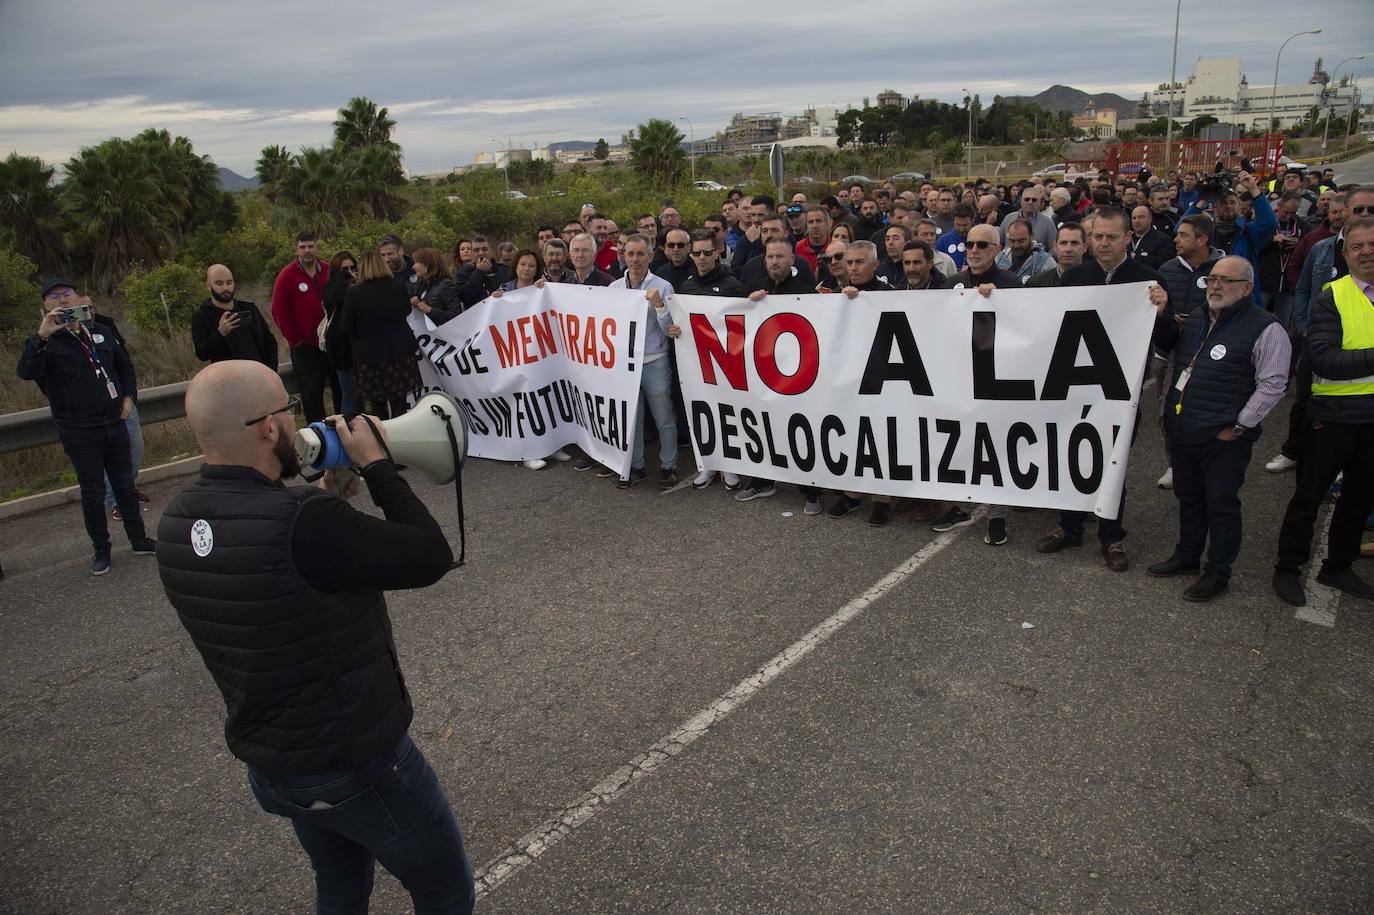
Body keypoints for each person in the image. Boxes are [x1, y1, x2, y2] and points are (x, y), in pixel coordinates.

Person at [156, 360, 474, 914]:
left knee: (341, 884)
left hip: (280, 764)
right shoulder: (302, 520)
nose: (296, 423)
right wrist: (376, 465)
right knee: (445, 889)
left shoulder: (178, 521)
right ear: (266, 427)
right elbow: (429, 555)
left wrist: (332, 500)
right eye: (288, 409)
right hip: (356, 761)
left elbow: (287, 581)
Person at [1149, 257, 1290, 601]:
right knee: (1189, 497)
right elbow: (1176, 363)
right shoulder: (1198, 317)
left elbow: (1272, 385)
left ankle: (1218, 572)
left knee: (1221, 505)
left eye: (1225, 281)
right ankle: (1187, 555)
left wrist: (1239, 427)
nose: (1215, 285)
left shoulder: (1266, 328)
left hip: (1222, 437)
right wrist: (1167, 411)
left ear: (1247, 288)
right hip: (1185, 430)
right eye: (1212, 279)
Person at [1036, 207, 1168, 572]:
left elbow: (1170, 339)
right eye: (1098, 236)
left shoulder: (1148, 280)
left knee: (1112, 463)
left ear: (1128, 238)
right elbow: (1044, 323)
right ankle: (1070, 527)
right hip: (1072, 386)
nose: (1103, 243)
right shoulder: (1076, 276)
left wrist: (1162, 312)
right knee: (1068, 456)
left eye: (1112, 237)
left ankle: (1111, 536)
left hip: (1118, 392)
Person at [17, 278, 156, 574]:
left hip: (114, 423)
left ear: (79, 297)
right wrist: (41, 336)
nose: (62, 301)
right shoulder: (45, 344)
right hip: (79, 430)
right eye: (54, 297)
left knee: (125, 486)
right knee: (93, 493)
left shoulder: (100, 332)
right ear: (45, 305)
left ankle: (139, 539)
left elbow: (124, 367)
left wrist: (129, 397)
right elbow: (26, 372)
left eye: (67, 294)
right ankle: (101, 551)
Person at [1271, 216, 1374, 607]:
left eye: (1372, 243)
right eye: (1357, 246)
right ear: (1345, 253)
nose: (1366, 251)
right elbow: (1326, 360)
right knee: (1308, 499)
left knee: (1358, 499)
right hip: (1333, 419)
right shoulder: (1333, 296)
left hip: (1371, 423)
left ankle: (1338, 566)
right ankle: (1288, 568)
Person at [931, 225, 1023, 543]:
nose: (973, 249)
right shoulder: (953, 283)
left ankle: (998, 516)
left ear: (997, 249)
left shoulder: (1011, 285)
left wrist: (996, 302)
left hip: (997, 379)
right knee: (961, 443)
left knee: (995, 446)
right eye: (969, 244)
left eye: (982, 244)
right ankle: (961, 505)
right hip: (959, 378)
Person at [610, 234, 678, 489]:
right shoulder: (614, 288)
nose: (635, 259)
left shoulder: (663, 286)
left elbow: (670, 329)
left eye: (641, 254)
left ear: (650, 256)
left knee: (663, 417)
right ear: (624, 256)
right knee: (632, 419)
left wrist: (659, 305)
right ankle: (636, 466)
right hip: (626, 363)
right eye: (630, 254)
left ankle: (668, 466)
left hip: (654, 360)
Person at [337, 251, 421, 419]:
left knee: (378, 409)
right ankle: (401, 442)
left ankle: (382, 442)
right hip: (400, 354)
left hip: (370, 359)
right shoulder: (397, 286)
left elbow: (344, 327)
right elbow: (406, 310)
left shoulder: (354, 294)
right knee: (399, 406)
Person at [271, 232, 336, 424]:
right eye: (302, 247)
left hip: (332, 343)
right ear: (296, 249)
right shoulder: (287, 275)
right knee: (311, 397)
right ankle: (319, 438)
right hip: (305, 347)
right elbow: (278, 310)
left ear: (316, 247)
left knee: (341, 390)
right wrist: (295, 339)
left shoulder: (327, 269)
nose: (307, 251)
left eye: (310, 246)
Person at [192, 264, 277, 368]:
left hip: (258, 375)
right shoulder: (201, 316)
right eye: (219, 283)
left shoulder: (249, 308)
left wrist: (270, 370)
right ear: (208, 286)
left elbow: (270, 342)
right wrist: (220, 333)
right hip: (228, 379)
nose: (225, 288)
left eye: (229, 282)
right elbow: (202, 354)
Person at [320, 251, 361, 416]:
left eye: (352, 268)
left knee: (360, 394)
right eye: (345, 269)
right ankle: (349, 430)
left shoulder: (359, 285)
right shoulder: (331, 287)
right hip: (341, 347)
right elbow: (334, 300)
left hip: (359, 345)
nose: (350, 272)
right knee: (349, 392)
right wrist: (344, 281)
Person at [409, 247, 464, 325]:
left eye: (416, 262)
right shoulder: (423, 285)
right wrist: (418, 302)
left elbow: (456, 315)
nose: (413, 267)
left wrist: (430, 310)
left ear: (427, 263)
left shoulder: (446, 285)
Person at [1025, 222, 1087, 288]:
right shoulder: (1036, 284)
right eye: (1063, 243)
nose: (1068, 249)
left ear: (1085, 247)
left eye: (1074, 243)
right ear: (1055, 247)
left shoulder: (1097, 280)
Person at [995, 218, 1056, 284]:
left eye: (1021, 241)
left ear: (1032, 236)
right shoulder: (1000, 258)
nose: (1016, 245)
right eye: (1012, 241)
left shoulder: (1046, 262)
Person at [1128, 205, 1175, 271]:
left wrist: (1136, 257)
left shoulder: (1162, 240)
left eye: (1141, 217)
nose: (1137, 221)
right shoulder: (1125, 239)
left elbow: (1163, 262)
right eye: (1134, 218)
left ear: (1150, 218)